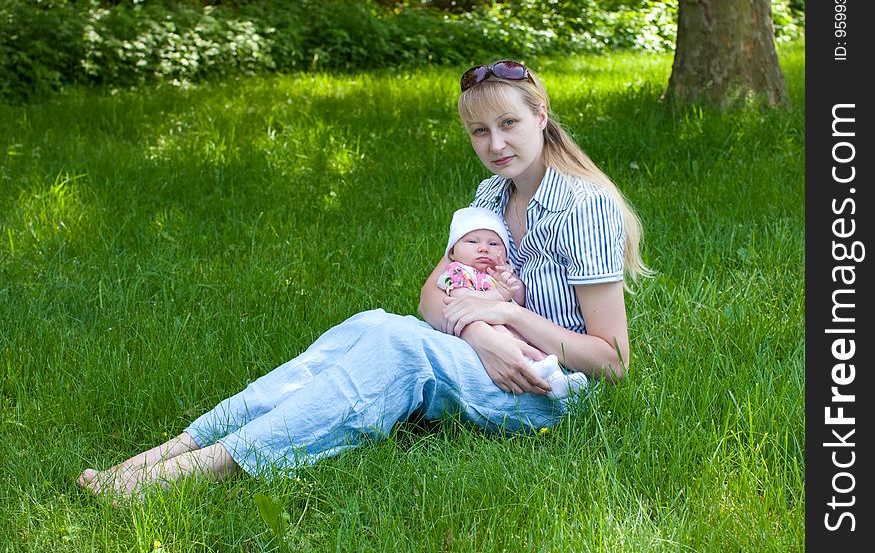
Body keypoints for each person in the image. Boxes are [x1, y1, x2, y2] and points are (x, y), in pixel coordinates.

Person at [77, 60, 649, 498]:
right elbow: (433, 295)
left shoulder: (584, 205)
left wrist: (506, 316)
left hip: (548, 390)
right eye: (479, 132)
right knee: (372, 324)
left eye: (508, 124)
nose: (495, 145)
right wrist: (479, 335)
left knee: (396, 347)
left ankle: (205, 468)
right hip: (486, 358)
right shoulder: (493, 195)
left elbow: (613, 362)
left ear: (541, 117)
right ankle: (180, 444)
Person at [436, 206, 589, 400]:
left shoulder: (498, 274)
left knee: (536, 344)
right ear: (452, 252)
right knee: (507, 338)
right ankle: (536, 372)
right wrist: (499, 295)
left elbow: (519, 300)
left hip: (511, 324)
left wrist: (512, 283)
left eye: (493, 244)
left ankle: (557, 379)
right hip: (487, 328)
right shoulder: (457, 272)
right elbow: (461, 298)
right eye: (472, 241)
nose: (483, 248)